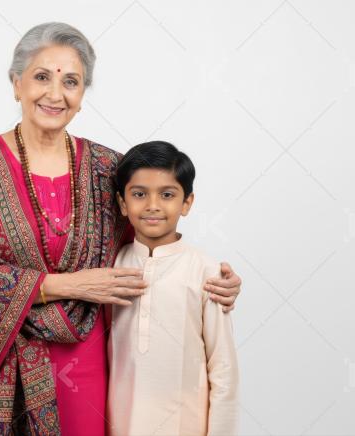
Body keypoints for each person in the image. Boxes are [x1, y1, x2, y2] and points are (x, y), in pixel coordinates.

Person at [0, 22, 242, 435]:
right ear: (16, 83)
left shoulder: (108, 168)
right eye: (42, 77)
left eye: (71, 81)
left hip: (87, 362)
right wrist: (67, 285)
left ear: (83, 95)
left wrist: (215, 282)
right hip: (0, 364)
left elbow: (150, 247)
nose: (56, 93)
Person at [107, 141, 239, 435]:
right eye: (139, 194)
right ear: (122, 203)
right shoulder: (111, 267)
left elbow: (224, 368)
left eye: (167, 195)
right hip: (120, 424)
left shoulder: (207, 272)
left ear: (187, 203)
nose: (153, 205)